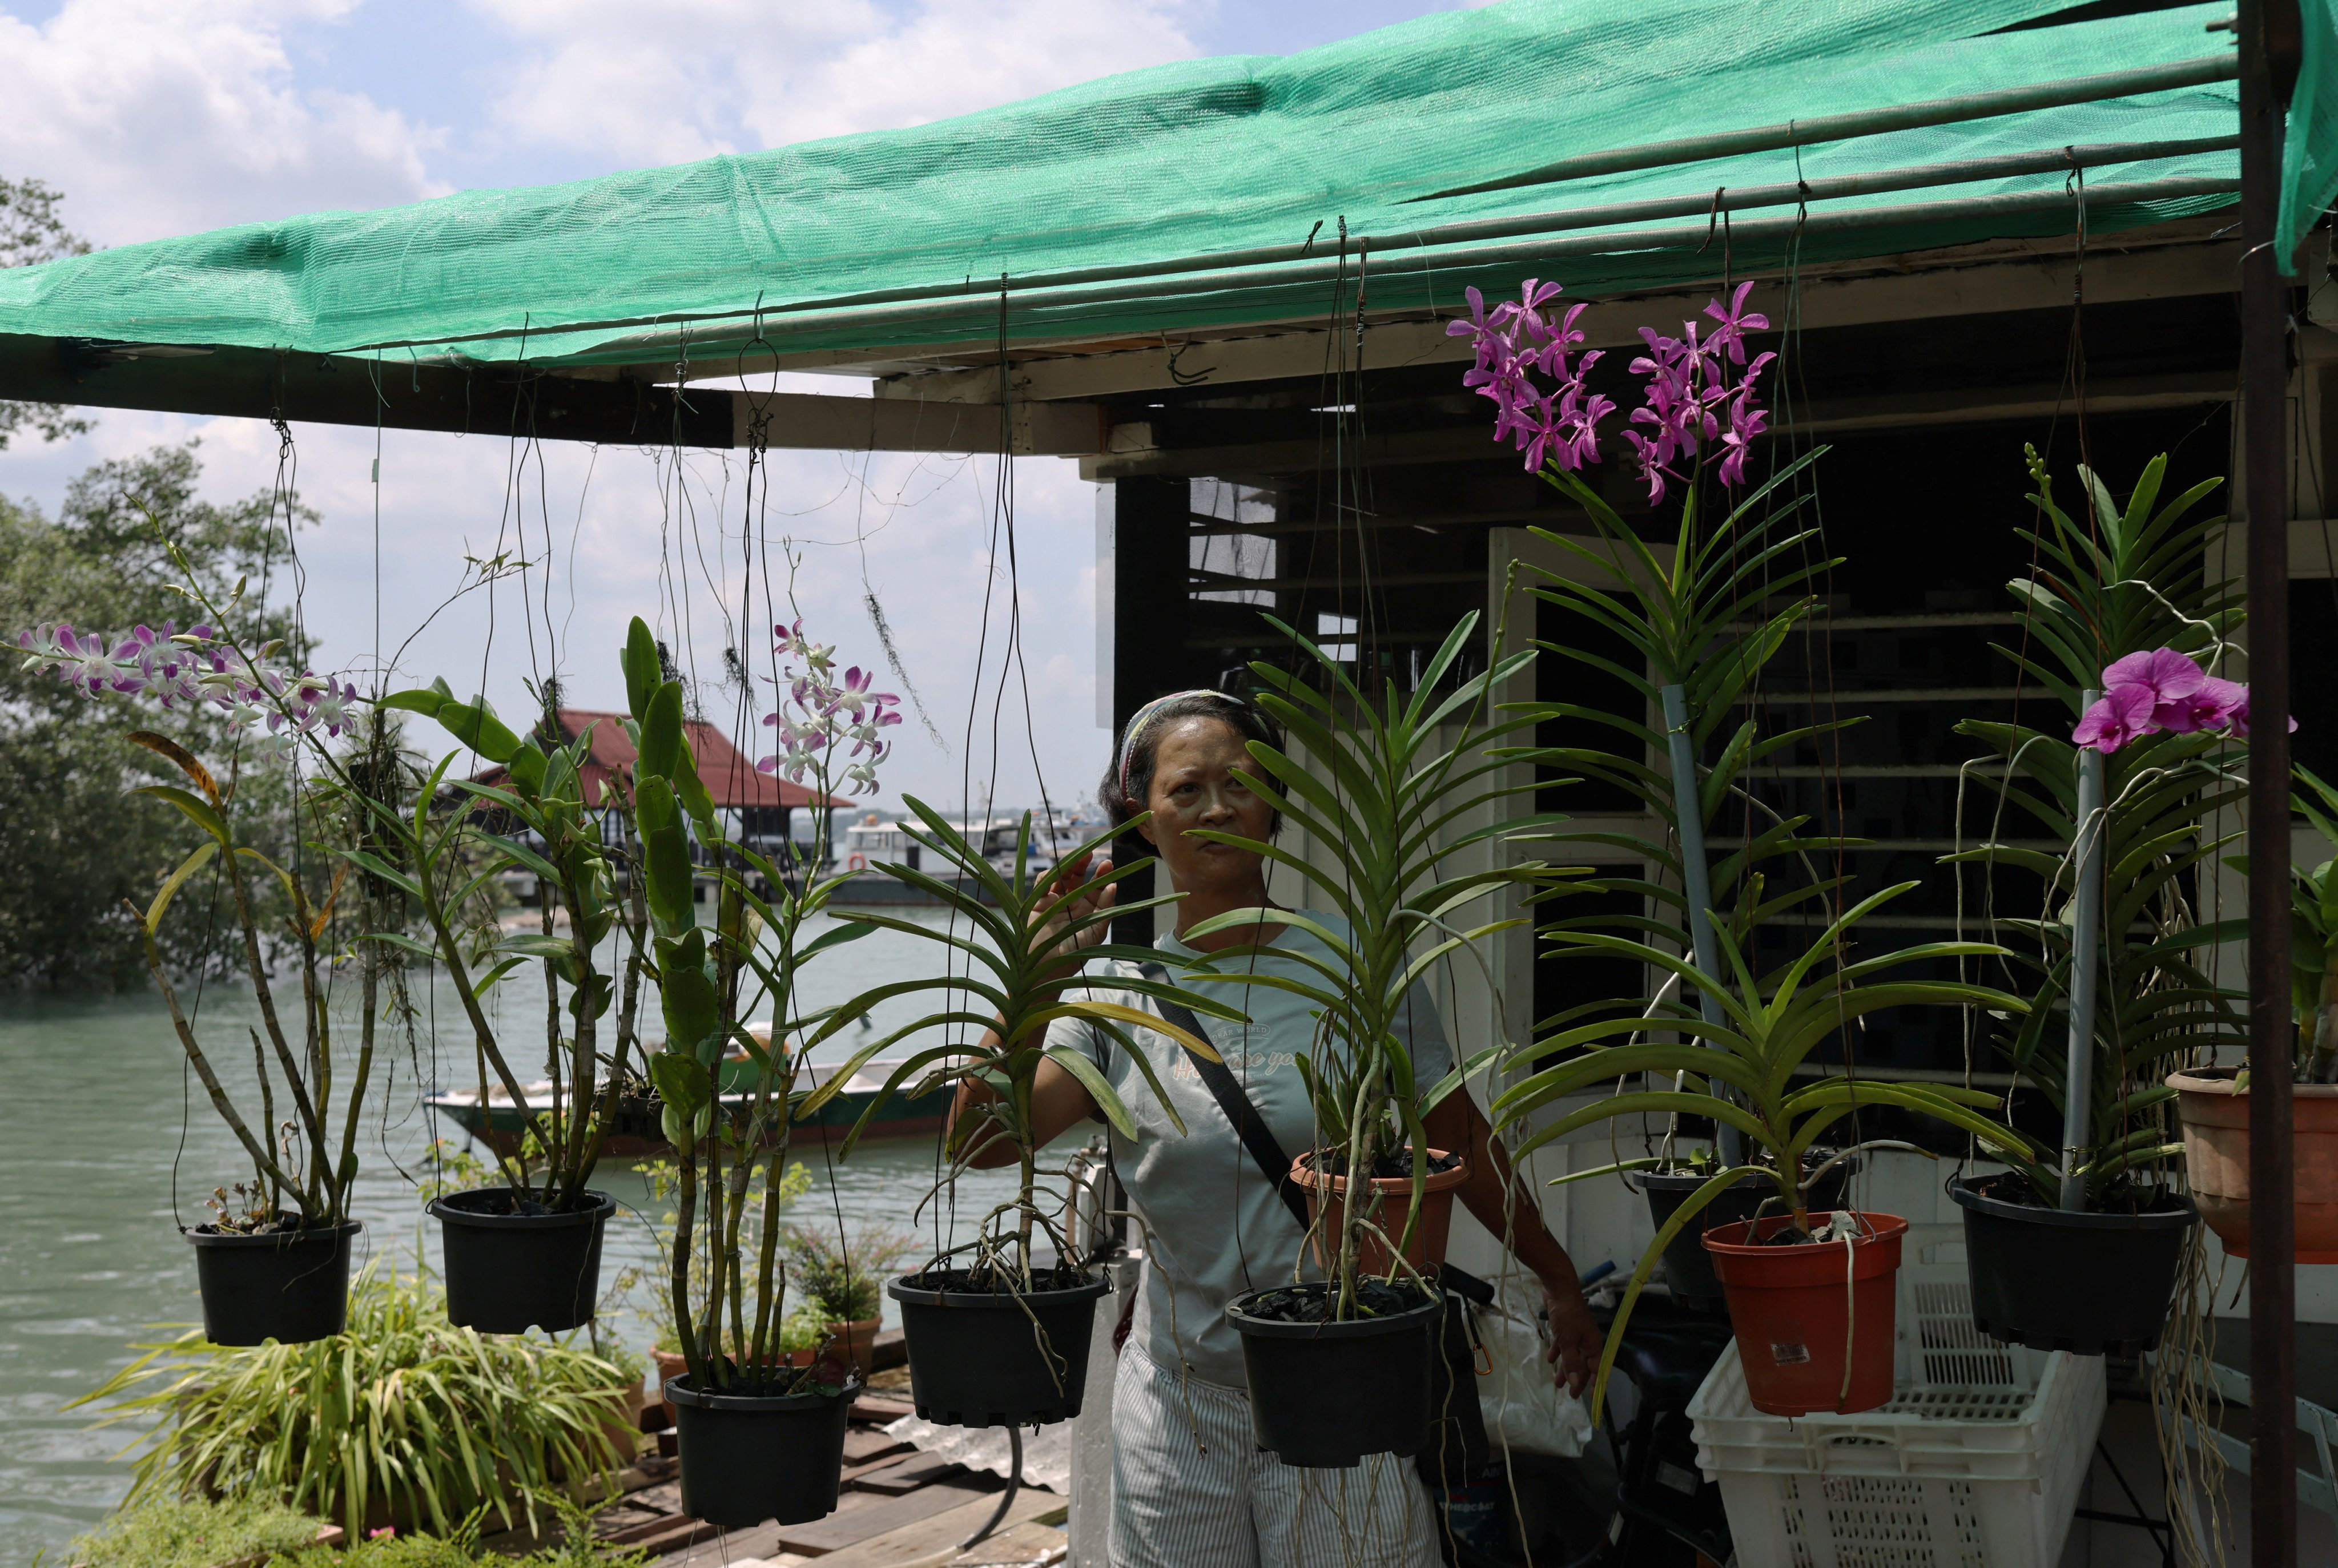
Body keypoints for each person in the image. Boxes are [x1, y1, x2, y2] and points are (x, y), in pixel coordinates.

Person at [947, 689, 1604, 1568]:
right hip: (1181, 1402)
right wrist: (1035, 973)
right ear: (1144, 821)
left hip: (1341, 1379)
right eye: (1186, 790)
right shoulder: (1116, 986)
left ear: (1276, 805)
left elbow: (1459, 1137)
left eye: (1242, 784)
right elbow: (983, 1142)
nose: (1217, 808)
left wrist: (1557, 1278)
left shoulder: (1353, 967)